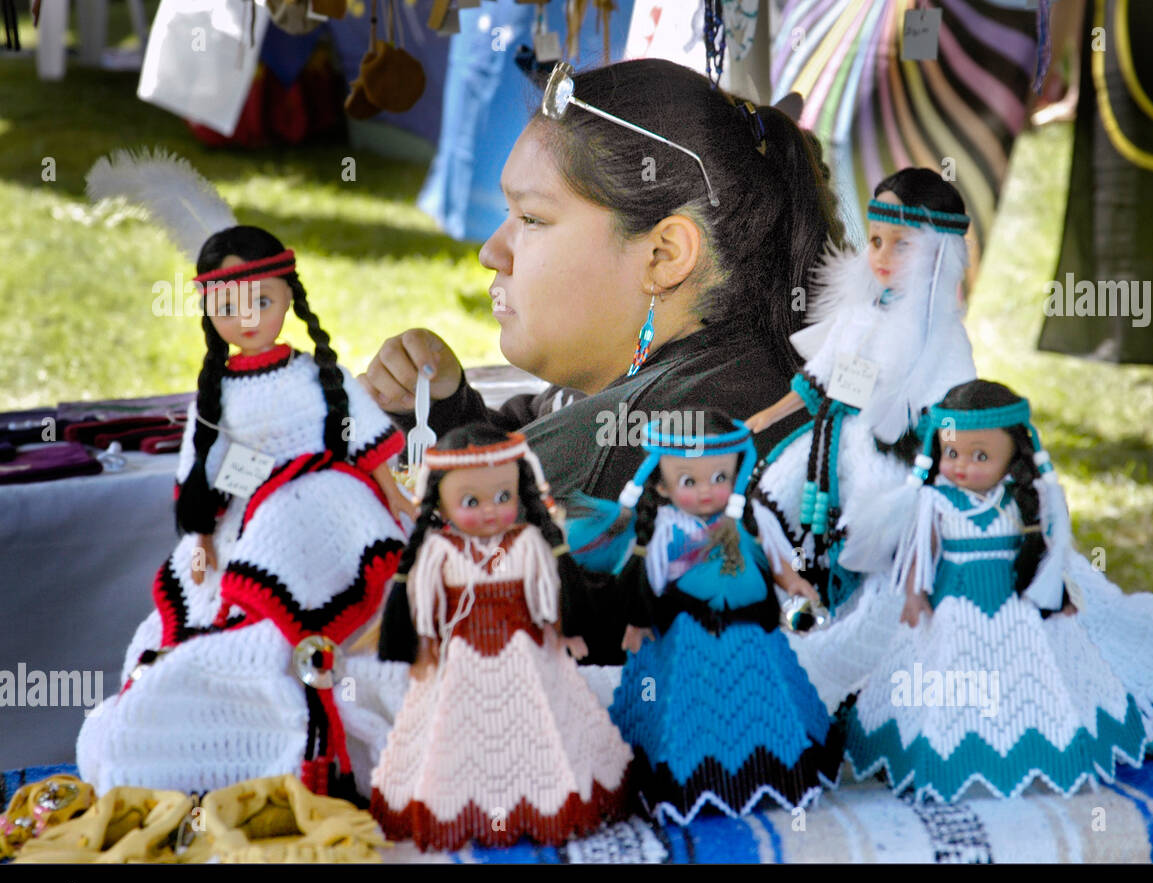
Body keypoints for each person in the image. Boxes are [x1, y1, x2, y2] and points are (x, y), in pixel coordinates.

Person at [360, 57, 846, 505]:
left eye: (531, 219)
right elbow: (534, 429)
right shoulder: (729, 366)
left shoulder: (618, 454)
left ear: (664, 256)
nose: (492, 253)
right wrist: (442, 413)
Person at [78, 222, 412, 801]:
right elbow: (198, 477)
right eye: (230, 306)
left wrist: (399, 496)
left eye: (263, 300)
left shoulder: (317, 376)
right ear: (209, 311)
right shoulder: (217, 397)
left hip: (332, 511)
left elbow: (370, 441)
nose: (250, 317)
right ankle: (230, 713)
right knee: (206, 606)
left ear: (289, 297)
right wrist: (202, 538)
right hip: (243, 523)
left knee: (338, 585)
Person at [844, 380, 1153, 802]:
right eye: (952, 452)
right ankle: (951, 756)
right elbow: (922, 553)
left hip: (1013, 610)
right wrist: (915, 594)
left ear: (1013, 455)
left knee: (1024, 683)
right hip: (953, 612)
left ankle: (1022, 749)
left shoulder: (1022, 503)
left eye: (980, 456)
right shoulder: (935, 502)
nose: (961, 465)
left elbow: (1047, 555)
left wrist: (1059, 593)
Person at [567, 410, 841, 824]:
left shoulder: (749, 518)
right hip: (682, 639)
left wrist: (793, 583)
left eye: (720, 478)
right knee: (682, 710)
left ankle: (762, 768)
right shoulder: (660, 530)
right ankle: (693, 776)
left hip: (750, 636)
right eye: (689, 482)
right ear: (661, 484)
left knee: (759, 703)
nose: (707, 492)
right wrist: (639, 624)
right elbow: (647, 584)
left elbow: (777, 560)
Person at [369, 424, 631, 850]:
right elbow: (428, 606)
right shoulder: (438, 551)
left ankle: (540, 798)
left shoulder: (527, 542)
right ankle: (466, 804)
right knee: (452, 736)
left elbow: (544, 594)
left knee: (542, 726)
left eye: (503, 497)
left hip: (528, 653)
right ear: (441, 501)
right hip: (459, 660)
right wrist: (425, 646)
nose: (491, 510)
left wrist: (562, 631)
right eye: (472, 501)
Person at [745, 167, 976, 612]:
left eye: (902, 244)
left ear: (937, 254)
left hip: (895, 449)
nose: (883, 256)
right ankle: (798, 591)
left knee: (868, 527)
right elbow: (823, 373)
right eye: (875, 241)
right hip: (829, 439)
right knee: (772, 493)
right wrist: (771, 414)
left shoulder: (941, 334)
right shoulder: (858, 314)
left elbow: (954, 404)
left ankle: (868, 608)